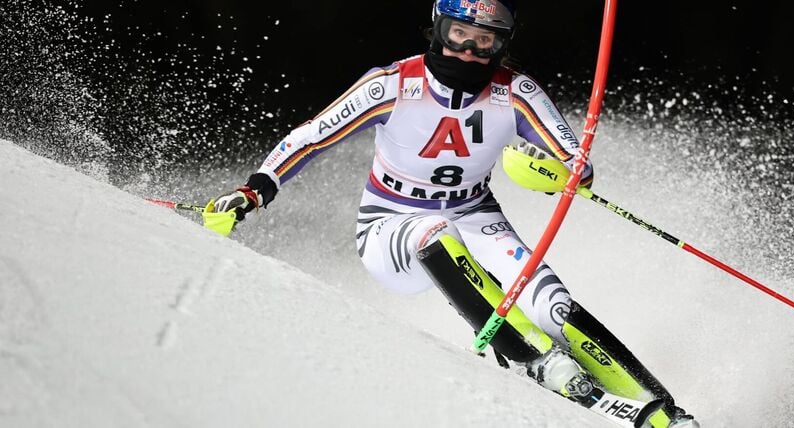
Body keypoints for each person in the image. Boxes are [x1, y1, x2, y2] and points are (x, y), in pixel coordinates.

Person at [207, 1, 698, 426]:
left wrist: (563, 170)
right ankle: (535, 359)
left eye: (483, 43)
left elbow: (575, 160)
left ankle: (659, 409)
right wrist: (253, 191)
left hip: (476, 213)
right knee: (433, 230)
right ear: (438, 30)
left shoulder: (516, 92)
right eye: (458, 36)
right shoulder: (393, 85)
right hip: (389, 225)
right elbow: (312, 136)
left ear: (500, 45)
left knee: (553, 305)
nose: (467, 51)